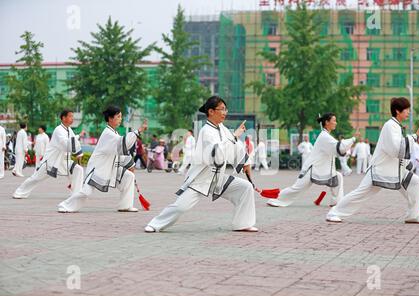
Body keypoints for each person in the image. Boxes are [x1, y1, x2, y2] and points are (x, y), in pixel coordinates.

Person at [144, 96, 257, 233]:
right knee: (181, 207)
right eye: (222, 109)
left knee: (245, 188)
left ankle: (242, 224)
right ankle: (155, 224)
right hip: (202, 178)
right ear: (211, 111)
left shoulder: (222, 128)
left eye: (225, 109)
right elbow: (217, 151)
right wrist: (235, 136)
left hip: (218, 178)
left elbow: (236, 146)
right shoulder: (206, 131)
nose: (225, 112)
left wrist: (245, 162)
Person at [326, 97, 419, 224]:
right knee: (361, 193)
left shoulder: (396, 126)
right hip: (380, 169)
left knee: (416, 183)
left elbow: (398, 149)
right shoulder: (390, 126)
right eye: (406, 110)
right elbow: (395, 149)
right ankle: (334, 213)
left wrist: (408, 160)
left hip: (394, 169)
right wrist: (415, 135)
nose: (408, 113)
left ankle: (413, 215)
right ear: (397, 111)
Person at [57, 106, 147, 213]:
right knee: (86, 191)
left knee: (129, 177)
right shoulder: (108, 133)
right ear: (110, 118)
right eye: (118, 117)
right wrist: (139, 131)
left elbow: (118, 151)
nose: (120, 119)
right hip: (98, 168)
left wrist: (129, 164)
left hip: (110, 167)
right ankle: (65, 206)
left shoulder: (114, 133)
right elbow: (123, 143)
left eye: (121, 117)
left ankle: (125, 206)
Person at [267, 113, 358, 208]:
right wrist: (353, 138)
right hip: (312, 169)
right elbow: (340, 147)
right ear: (327, 122)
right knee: (297, 188)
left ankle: (336, 202)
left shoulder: (326, 135)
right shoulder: (324, 136)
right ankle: (278, 200)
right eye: (334, 120)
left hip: (320, 169)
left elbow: (336, 150)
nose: (336, 123)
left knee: (338, 177)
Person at [12, 110, 84, 199]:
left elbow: (73, 139)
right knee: (36, 178)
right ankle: (19, 192)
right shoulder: (59, 130)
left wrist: (78, 141)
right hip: (51, 161)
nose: (72, 118)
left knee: (78, 170)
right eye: (70, 116)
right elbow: (66, 143)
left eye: (72, 116)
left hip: (62, 160)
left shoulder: (69, 130)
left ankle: (76, 193)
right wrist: (77, 151)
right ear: (63, 118)